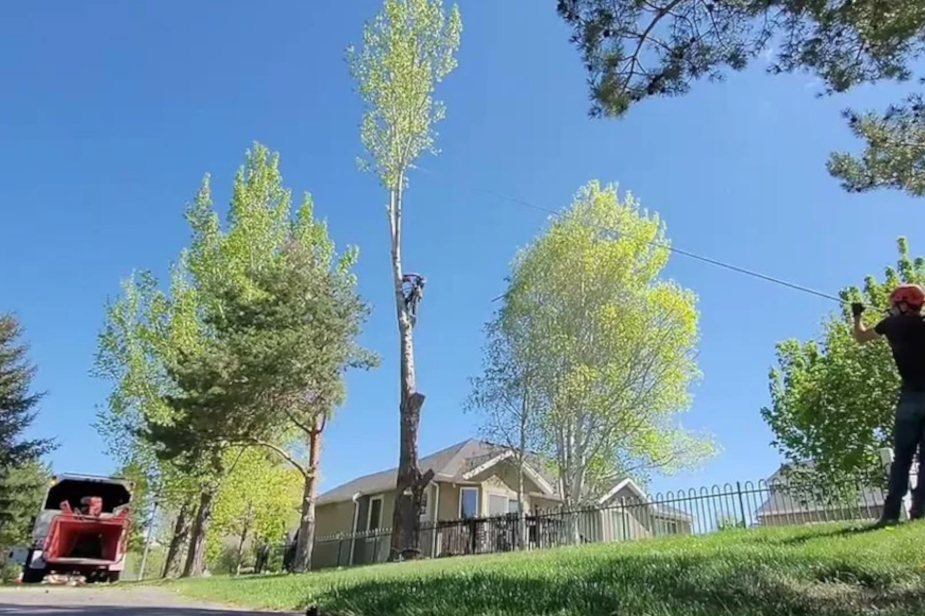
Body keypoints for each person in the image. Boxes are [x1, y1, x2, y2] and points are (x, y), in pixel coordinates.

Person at [853, 283, 925, 525]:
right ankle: (920, 511)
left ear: (902, 304)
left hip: (910, 399)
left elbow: (861, 337)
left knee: (902, 458)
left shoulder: (892, 325)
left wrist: (857, 315)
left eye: (894, 304)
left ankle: (891, 514)